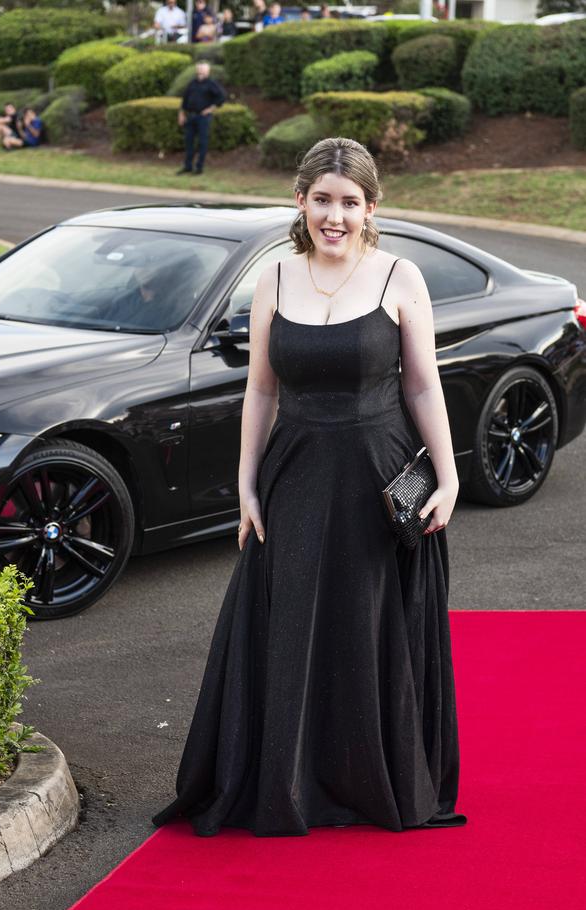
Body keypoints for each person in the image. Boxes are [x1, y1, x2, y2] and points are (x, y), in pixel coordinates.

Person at [151, 136, 468, 838]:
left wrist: (447, 477)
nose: (335, 215)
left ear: (370, 208)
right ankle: (288, 780)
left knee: (366, 622)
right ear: (300, 201)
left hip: (379, 476)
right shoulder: (275, 278)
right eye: (322, 199)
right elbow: (259, 391)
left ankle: (367, 777)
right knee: (291, 620)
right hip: (293, 472)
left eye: (349, 202)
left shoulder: (398, 277)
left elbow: (422, 384)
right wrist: (247, 487)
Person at [176, 60, 226, 175]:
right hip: (190, 116)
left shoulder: (211, 84)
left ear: (207, 71)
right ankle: (187, 166)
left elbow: (221, 97)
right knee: (189, 142)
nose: (200, 72)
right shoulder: (192, 83)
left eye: (203, 70)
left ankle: (199, 168)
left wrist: (210, 109)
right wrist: (181, 114)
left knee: (202, 143)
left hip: (203, 118)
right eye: (199, 70)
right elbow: (185, 99)